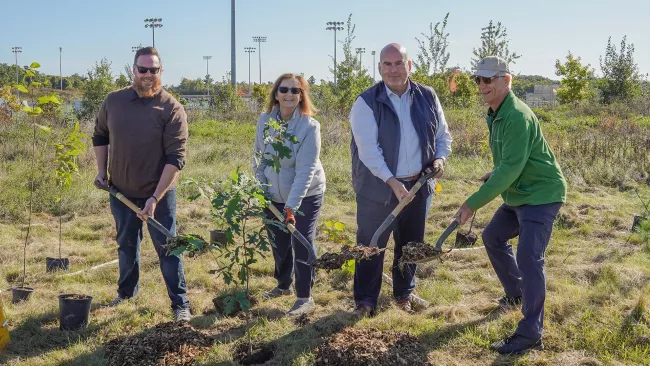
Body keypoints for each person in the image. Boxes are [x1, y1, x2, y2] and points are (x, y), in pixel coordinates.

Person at [454, 56, 567, 354]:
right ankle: (516, 293)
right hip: (519, 193)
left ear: (507, 80)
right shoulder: (496, 113)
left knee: (530, 259)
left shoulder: (516, 114)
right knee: (492, 236)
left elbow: (510, 168)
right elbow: (511, 161)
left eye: (488, 79)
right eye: (478, 79)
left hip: (541, 195)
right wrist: (499, 172)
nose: (481, 85)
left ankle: (531, 333)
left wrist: (472, 203)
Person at [349, 43, 452, 316]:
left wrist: (440, 159)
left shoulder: (427, 97)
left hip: (418, 186)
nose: (393, 69)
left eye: (398, 63)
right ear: (380, 67)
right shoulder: (366, 102)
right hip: (378, 187)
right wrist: (392, 182)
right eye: (387, 64)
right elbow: (369, 152)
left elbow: (443, 136)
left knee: (410, 245)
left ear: (409, 66)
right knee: (372, 244)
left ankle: (403, 295)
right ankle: (366, 301)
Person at [92, 46, 191, 322]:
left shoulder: (171, 108)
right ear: (133, 70)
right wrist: (102, 171)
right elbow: (100, 135)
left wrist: (155, 198)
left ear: (161, 71)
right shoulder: (114, 101)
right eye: (143, 69)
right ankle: (126, 293)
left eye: (153, 70)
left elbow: (176, 158)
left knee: (169, 246)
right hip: (121, 192)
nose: (148, 75)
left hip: (158, 194)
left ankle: (180, 303)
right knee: (126, 244)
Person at [253, 73, 326, 316]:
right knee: (278, 241)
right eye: (284, 90)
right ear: (276, 94)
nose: (289, 95)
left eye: (295, 91)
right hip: (273, 194)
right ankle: (284, 284)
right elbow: (259, 159)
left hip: (306, 194)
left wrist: (291, 206)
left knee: (301, 240)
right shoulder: (265, 121)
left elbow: (305, 171)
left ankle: (305, 297)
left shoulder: (309, 126)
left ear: (302, 95)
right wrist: (262, 190)